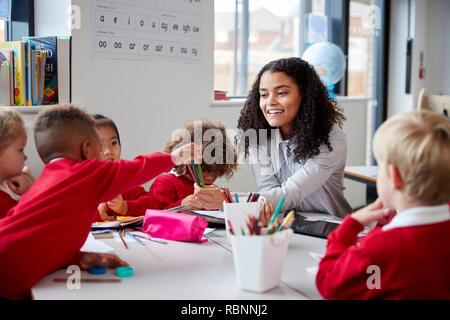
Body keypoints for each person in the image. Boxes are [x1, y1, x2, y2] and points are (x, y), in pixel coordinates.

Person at [0, 105, 200, 299]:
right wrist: (172, 158)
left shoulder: (45, 182)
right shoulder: (86, 174)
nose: (104, 153)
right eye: (99, 146)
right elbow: (136, 169)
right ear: (88, 150)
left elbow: (43, 240)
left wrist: (76, 258)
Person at [316, 110, 450, 299]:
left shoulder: (379, 249)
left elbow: (329, 282)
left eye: (380, 168)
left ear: (395, 176)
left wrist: (350, 225)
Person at [235, 57, 351, 218]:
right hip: (284, 223)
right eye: (264, 95)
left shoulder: (330, 139)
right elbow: (269, 195)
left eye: (281, 93)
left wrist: (228, 200)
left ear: (304, 95)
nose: (270, 102)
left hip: (329, 227)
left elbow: (289, 194)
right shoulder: (259, 137)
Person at [149, 120, 238, 210]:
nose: (210, 177)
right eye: (204, 170)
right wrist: (181, 205)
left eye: (215, 171)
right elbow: (152, 216)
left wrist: (224, 204)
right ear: (187, 161)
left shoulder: (213, 190)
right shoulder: (165, 183)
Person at [92, 114, 160, 220]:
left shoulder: (124, 182)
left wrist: (125, 207)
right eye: (100, 146)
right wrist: (94, 216)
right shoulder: (78, 187)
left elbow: (154, 205)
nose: (108, 151)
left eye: (113, 143)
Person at [0, 108, 34, 218]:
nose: (25, 158)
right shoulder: (3, 202)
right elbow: (29, 221)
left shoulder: (6, 188)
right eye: (20, 150)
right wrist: (31, 192)